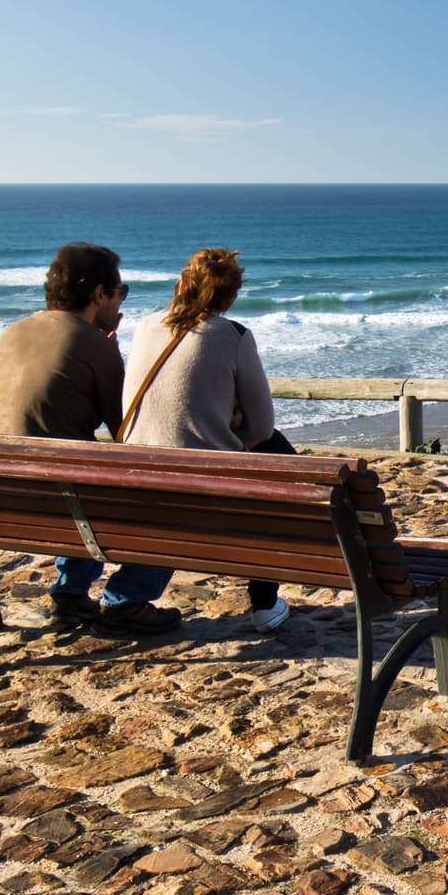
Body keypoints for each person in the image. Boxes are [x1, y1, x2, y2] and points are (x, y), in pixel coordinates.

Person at [0, 242, 182, 636]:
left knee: (77, 480)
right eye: (120, 291)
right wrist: (112, 354)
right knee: (170, 502)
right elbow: (128, 430)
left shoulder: (14, 332)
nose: (121, 299)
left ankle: (70, 593)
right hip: (57, 498)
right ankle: (127, 599)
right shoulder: (92, 344)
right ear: (99, 294)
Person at [118, 247, 294, 631]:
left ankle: (126, 595)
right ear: (231, 297)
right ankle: (264, 603)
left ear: (181, 284)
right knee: (279, 455)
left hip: (136, 471)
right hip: (201, 485)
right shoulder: (233, 335)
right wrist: (235, 422)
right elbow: (261, 428)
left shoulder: (146, 326)